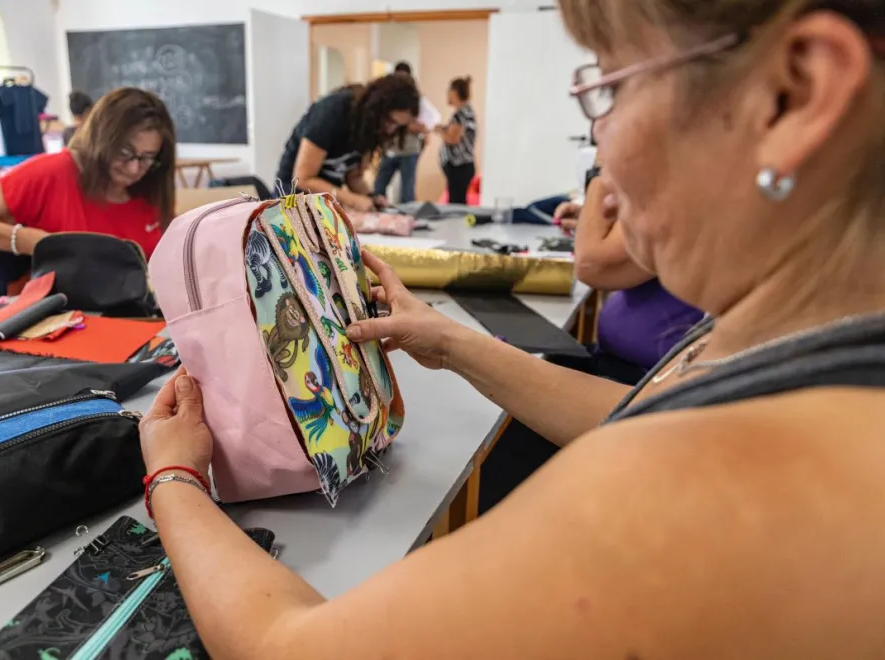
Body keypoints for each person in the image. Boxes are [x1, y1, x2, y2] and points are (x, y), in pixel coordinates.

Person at [140, 1, 885, 657]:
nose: (600, 146)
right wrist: (452, 340)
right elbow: (629, 417)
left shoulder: (701, 496)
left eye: (613, 87)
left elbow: (284, 645)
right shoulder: (826, 350)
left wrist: (174, 479)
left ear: (795, 95)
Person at [0, 87, 176, 300]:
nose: (135, 168)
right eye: (125, 152)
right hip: (55, 320)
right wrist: (37, 242)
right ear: (102, 140)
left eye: (147, 157)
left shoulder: (150, 187)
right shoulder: (52, 173)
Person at [555, 151, 704, 385]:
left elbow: (592, 265)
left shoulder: (685, 187)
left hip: (649, 379)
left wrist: (602, 169)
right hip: (627, 365)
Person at [275, 75, 420, 212]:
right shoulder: (332, 111)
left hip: (323, 205)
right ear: (377, 109)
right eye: (390, 120)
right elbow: (303, 179)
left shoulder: (370, 130)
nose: (390, 129)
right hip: (292, 203)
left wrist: (371, 198)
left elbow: (353, 177)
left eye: (398, 126)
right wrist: (353, 200)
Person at [373, 62, 428, 204]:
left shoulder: (415, 100)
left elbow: (424, 127)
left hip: (409, 150)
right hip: (391, 150)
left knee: (407, 193)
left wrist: (407, 124)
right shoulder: (387, 99)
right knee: (378, 187)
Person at [436, 76, 476, 205]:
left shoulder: (461, 114)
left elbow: (453, 138)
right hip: (462, 166)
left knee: (456, 204)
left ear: (454, 92)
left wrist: (438, 130)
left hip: (459, 166)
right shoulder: (466, 112)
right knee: (458, 200)